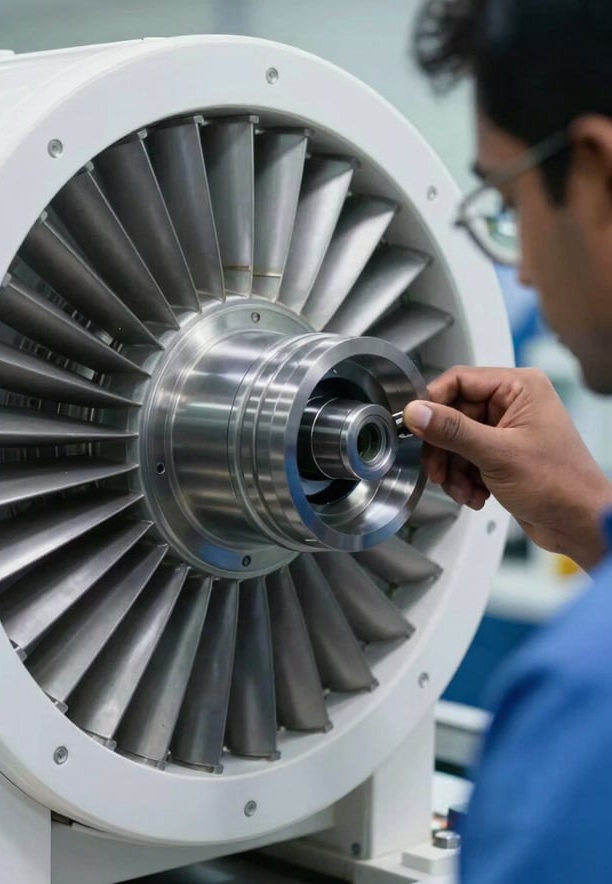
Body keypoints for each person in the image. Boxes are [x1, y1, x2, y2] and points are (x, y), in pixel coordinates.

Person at [403, 1, 612, 881]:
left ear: (596, 175)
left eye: (507, 197)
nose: (520, 267)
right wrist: (591, 517)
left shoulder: (585, 711)